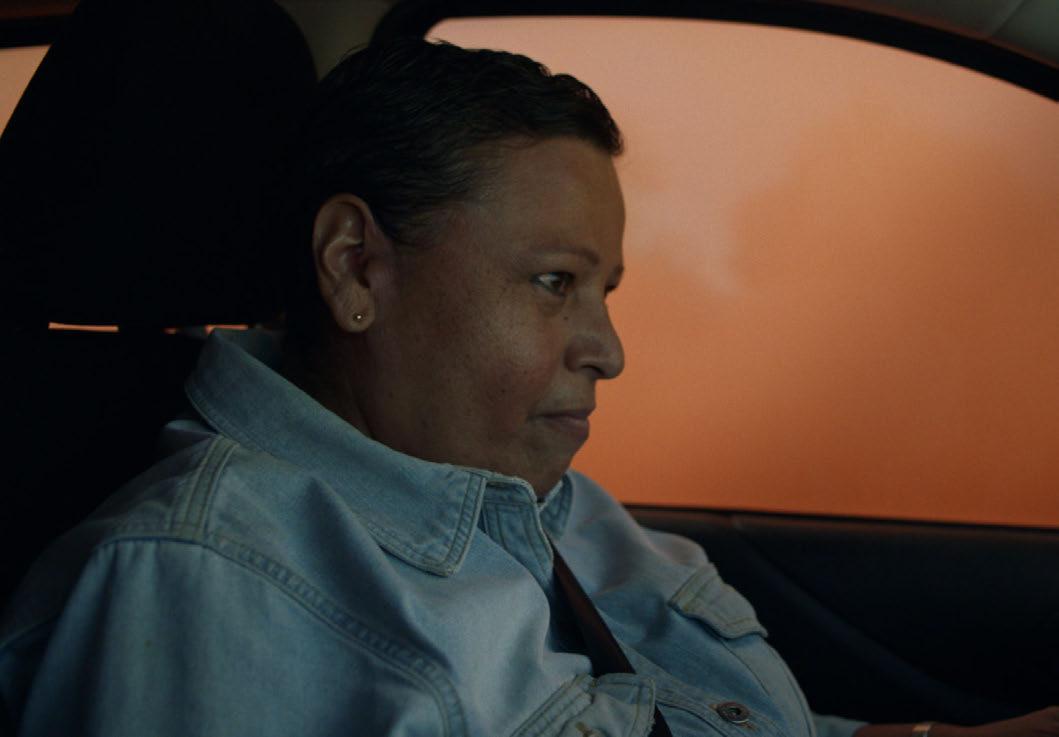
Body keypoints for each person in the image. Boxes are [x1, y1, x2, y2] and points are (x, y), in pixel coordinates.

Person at [0, 37, 1056, 737]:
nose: (609, 350)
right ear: (357, 268)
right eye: (554, 282)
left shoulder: (538, 502)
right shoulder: (199, 587)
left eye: (603, 290)